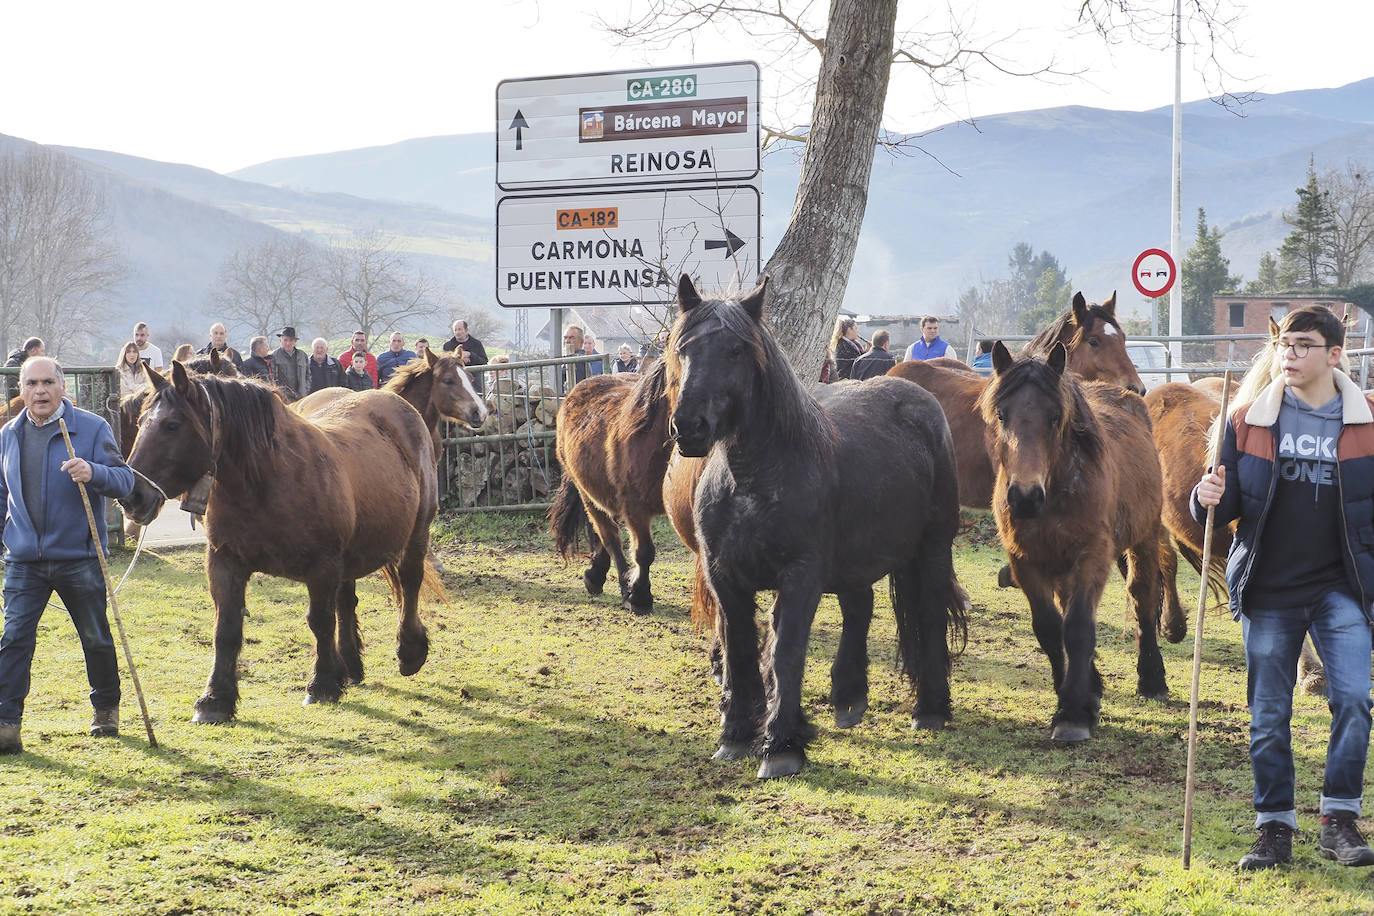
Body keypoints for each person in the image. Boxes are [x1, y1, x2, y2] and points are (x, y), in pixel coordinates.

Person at [1192, 305, 1374, 870]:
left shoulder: (1367, 421)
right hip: (1269, 586)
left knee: (1353, 700)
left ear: (1335, 355)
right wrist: (1205, 498)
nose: (1288, 355)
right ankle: (1274, 828)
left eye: (1302, 345)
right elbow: (1219, 511)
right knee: (1268, 714)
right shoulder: (1247, 419)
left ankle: (1338, 820)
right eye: (1284, 345)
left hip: (1342, 587)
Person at [0, 357, 135, 753]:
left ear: (62, 387)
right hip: (24, 559)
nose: (39, 391)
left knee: (95, 637)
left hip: (79, 556)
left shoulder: (92, 428)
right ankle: (7, 722)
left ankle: (106, 709)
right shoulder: (9, 434)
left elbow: (125, 480)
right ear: (20, 390)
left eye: (47, 383)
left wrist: (94, 472)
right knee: (14, 639)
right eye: (31, 384)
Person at [442, 320, 489, 393]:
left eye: (460, 329)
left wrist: (470, 355)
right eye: (455, 330)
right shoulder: (448, 346)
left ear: (466, 330)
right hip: (455, 380)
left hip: (474, 379)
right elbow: (444, 364)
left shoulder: (476, 344)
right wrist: (459, 360)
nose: (457, 332)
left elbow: (484, 361)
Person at [270, 326, 310, 401]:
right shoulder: (274, 356)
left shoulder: (302, 355)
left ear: (295, 341)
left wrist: (305, 390)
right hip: (284, 399)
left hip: (302, 398)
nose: (288, 343)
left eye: (291, 340)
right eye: (285, 340)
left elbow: (308, 376)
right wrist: (281, 394)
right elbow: (273, 379)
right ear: (280, 340)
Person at [562, 325, 589, 390]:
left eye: (571, 338)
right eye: (565, 338)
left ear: (581, 341)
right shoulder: (567, 360)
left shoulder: (579, 361)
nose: (567, 341)